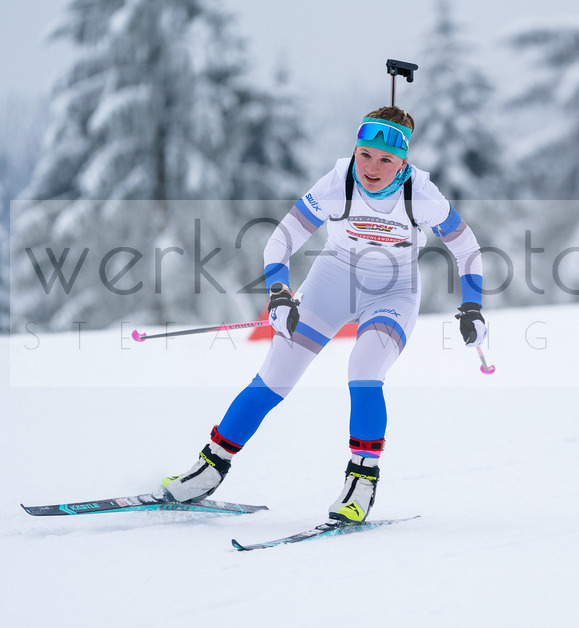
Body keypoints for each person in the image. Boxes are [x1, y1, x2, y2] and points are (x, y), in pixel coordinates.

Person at [160, 106, 487, 524]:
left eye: (386, 160)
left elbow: (467, 248)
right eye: (365, 154)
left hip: (393, 290)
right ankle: (209, 469)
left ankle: (360, 485)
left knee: (364, 369)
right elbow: (281, 238)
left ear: (403, 162)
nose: (372, 167)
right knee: (274, 377)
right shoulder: (337, 184)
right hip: (331, 283)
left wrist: (472, 306)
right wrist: (279, 293)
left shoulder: (421, 195)